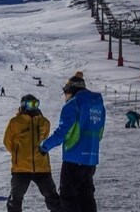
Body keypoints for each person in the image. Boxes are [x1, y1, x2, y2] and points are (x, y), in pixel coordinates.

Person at [40, 71, 106, 212]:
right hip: (91, 160)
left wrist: (44, 146)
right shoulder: (98, 105)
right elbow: (99, 132)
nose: (65, 96)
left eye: (66, 92)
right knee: (86, 195)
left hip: (73, 159)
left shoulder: (73, 104)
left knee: (69, 197)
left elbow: (62, 132)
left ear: (71, 90)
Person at [4, 95, 61, 212]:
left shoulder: (44, 122)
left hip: (42, 167)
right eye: (31, 104)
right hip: (21, 168)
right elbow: (7, 141)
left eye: (36, 104)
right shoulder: (15, 122)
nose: (34, 107)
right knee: (15, 199)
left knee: (52, 197)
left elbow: (45, 139)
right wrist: (18, 155)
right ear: (24, 104)